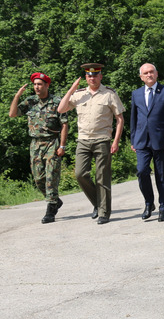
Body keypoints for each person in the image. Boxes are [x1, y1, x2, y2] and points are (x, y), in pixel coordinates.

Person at [58, 63, 125, 224]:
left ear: (100, 76)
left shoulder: (109, 94)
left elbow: (120, 119)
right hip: (83, 140)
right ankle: (97, 203)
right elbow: (61, 109)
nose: (92, 78)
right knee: (80, 174)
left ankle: (104, 213)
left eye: (95, 75)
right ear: (86, 78)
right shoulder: (80, 94)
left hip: (102, 139)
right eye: (89, 76)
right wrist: (71, 89)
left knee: (102, 177)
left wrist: (116, 141)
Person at [9, 72, 69, 224]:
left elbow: (64, 124)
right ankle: (55, 200)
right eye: (35, 84)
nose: (36, 87)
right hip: (35, 144)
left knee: (51, 176)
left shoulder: (56, 102)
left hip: (51, 142)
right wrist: (17, 96)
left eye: (40, 84)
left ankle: (51, 209)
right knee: (38, 178)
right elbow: (12, 114)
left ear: (47, 85)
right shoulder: (30, 101)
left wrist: (62, 145)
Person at [129, 63, 164, 222]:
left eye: (152, 72)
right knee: (142, 171)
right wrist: (133, 140)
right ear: (141, 77)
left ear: (157, 74)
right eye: (146, 73)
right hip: (142, 141)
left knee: (162, 176)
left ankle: (163, 207)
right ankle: (149, 203)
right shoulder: (136, 94)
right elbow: (134, 118)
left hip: (162, 141)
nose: (149, 75)